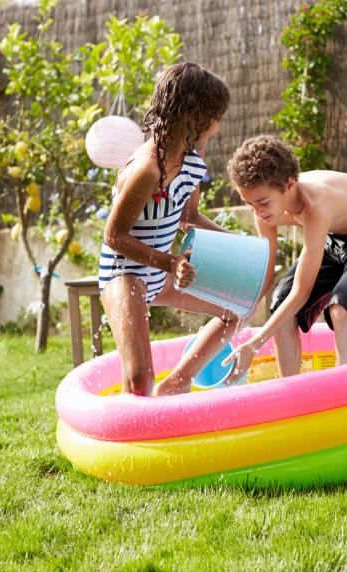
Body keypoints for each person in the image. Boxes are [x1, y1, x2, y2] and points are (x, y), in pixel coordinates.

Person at [99, 63, 236, 396]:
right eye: (216, 116)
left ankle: (177, 383)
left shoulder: (193, 163)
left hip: (160, 273)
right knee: (139, 377)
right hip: (124, 273)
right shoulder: (146, 169)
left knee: (233, 313)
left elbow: (188, 217)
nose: (217, 126)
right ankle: (131, 441)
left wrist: (236, 243)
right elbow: (114, 237)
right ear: (195, 117)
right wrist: (171, 263)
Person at [223, 135, 347, 381]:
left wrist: (254, 343)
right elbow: (267, 273)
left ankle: (345, 393)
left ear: (289, 185)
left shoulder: (317, 204)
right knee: (279, 306)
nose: (257, 212)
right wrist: (241, 314)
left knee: (341, 307)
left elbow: (302, 292)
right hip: (332, 236)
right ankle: (291, 392)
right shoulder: (262, 211)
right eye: (249, 204)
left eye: (263, 202)